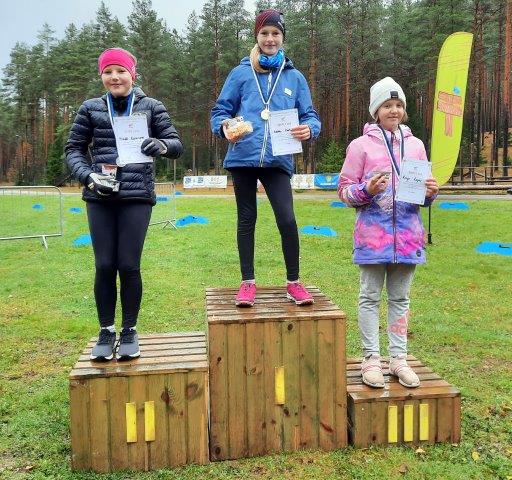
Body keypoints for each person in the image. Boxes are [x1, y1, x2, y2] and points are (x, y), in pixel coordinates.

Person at [65, 48, 183, 361]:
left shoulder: (151, 106)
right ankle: (106, 331)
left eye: (121, 71)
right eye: (108, 72)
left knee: (128, 265)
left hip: (136, 195)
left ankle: (129, 330)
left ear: (133, 74)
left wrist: (161, 145)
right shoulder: (90, 108)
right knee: (104, 265)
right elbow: (73, 149)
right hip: (100, 195)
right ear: (101, 76)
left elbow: (176, 144)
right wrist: (88, 176)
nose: (114, 77)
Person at [211, 9, 321, 307]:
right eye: (264, 33)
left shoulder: (294, 77)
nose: (270, 39)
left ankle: (294, 283)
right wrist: (224, 127)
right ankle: (247, 282)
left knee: (287, 219)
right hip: (243, 156)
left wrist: (310, 129)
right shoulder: (240, 73)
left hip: (278, 158)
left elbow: (310, 115)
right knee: (247, 219)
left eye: (275, 33)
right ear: (256, 36)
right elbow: (220, 111)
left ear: (282, 37)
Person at [338, 77, 439, 388]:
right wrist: (366, 190)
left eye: (398, 105)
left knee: (400, 299)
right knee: (369, 297)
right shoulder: (360, 146)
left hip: (408, 237)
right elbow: (344, 191)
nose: (393, 110)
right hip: (373, 238)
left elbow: (421, 194)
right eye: (387, 105)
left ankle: (398, 359)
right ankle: (371, 359)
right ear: (376, 110)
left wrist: (430, 194)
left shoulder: (416, 145)